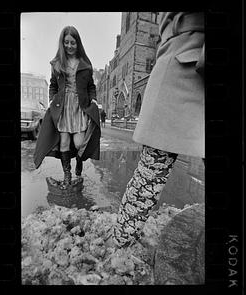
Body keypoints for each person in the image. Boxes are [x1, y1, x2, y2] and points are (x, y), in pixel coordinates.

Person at [107, 12, 205, 249]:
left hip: (187, 53)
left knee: (150, 171)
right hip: (177, 56)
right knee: (150, 170)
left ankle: (120, 243)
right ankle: (120, 245)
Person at [33, 26, 101, 188]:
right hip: (63, 107)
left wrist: (94, 100)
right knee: (63, 142)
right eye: (66, 43)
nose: (69, 46)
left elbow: (91, 86)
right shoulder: (57, 64)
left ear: (78, 43)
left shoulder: (85, 64)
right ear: (62, 43)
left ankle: (78, 161)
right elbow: (53, 85)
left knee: (79, 143)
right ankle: (67, 176)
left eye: (73, 42)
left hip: (80, 107)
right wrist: (51, 99)